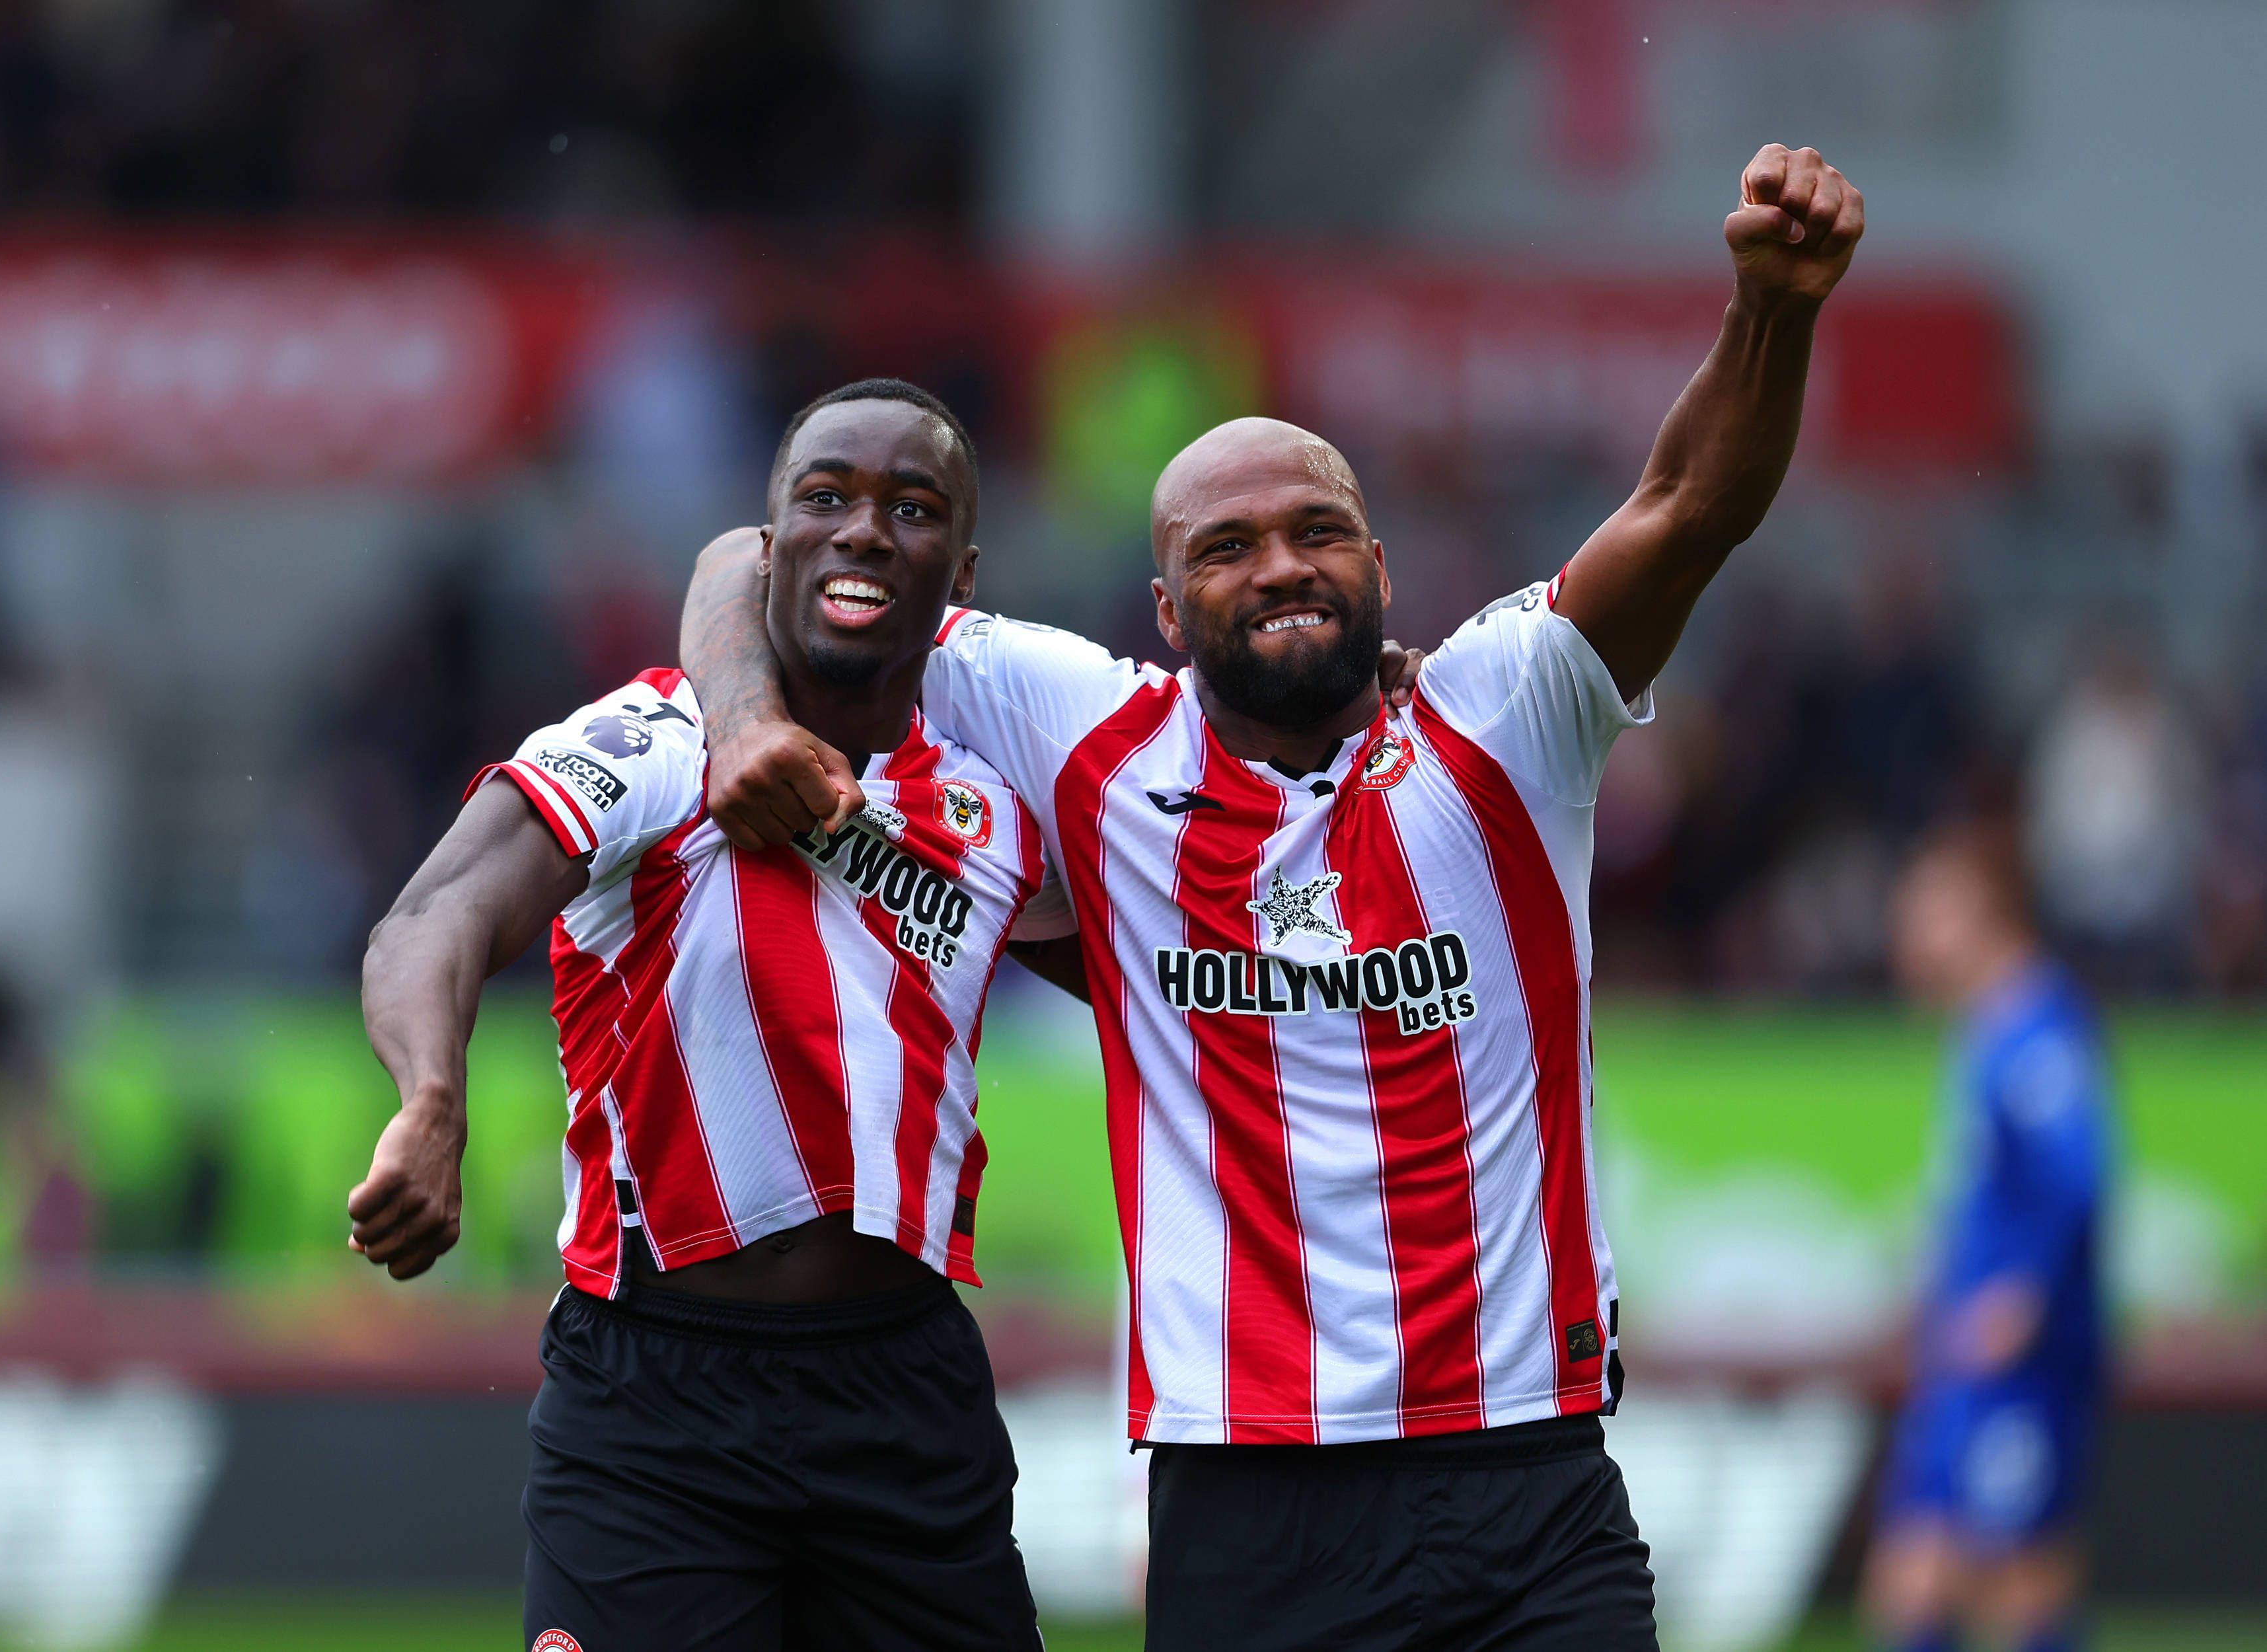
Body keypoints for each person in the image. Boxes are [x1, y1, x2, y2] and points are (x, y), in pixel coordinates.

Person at [685, 143, 1863, 1649]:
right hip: (1248, 1501)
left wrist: (1772, 306)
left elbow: (1692, 499)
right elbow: (754, 554)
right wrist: (742, 726)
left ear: (1379, 560)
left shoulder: (1510, 711)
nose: (1280, 565)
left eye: (1314, 530)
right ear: (1169, 610)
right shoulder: (1084, 737)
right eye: (1226, 548)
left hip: (1527, 1474)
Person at [346, 380, 1081, 1652]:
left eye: (910, 509)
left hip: (906, 1394)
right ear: (768, 545)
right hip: (652, 1396)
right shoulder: (652, 742)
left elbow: (1166, 980)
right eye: (826, 497)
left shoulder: (999, 808)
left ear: (958, 570)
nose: (862, 530)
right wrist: (432, 1099)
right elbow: (435, 917)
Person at [1863, 822, 2111, 1652]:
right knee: (1931, 1576)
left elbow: (2075, 1177)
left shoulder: (2037, 1030)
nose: (1911, 931)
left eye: (1927, 909)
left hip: (2016, 1365)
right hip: (1971, 1354)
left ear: (1981, 911)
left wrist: (2018, 1302)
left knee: (2000, 1578)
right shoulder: (1983, 1031)